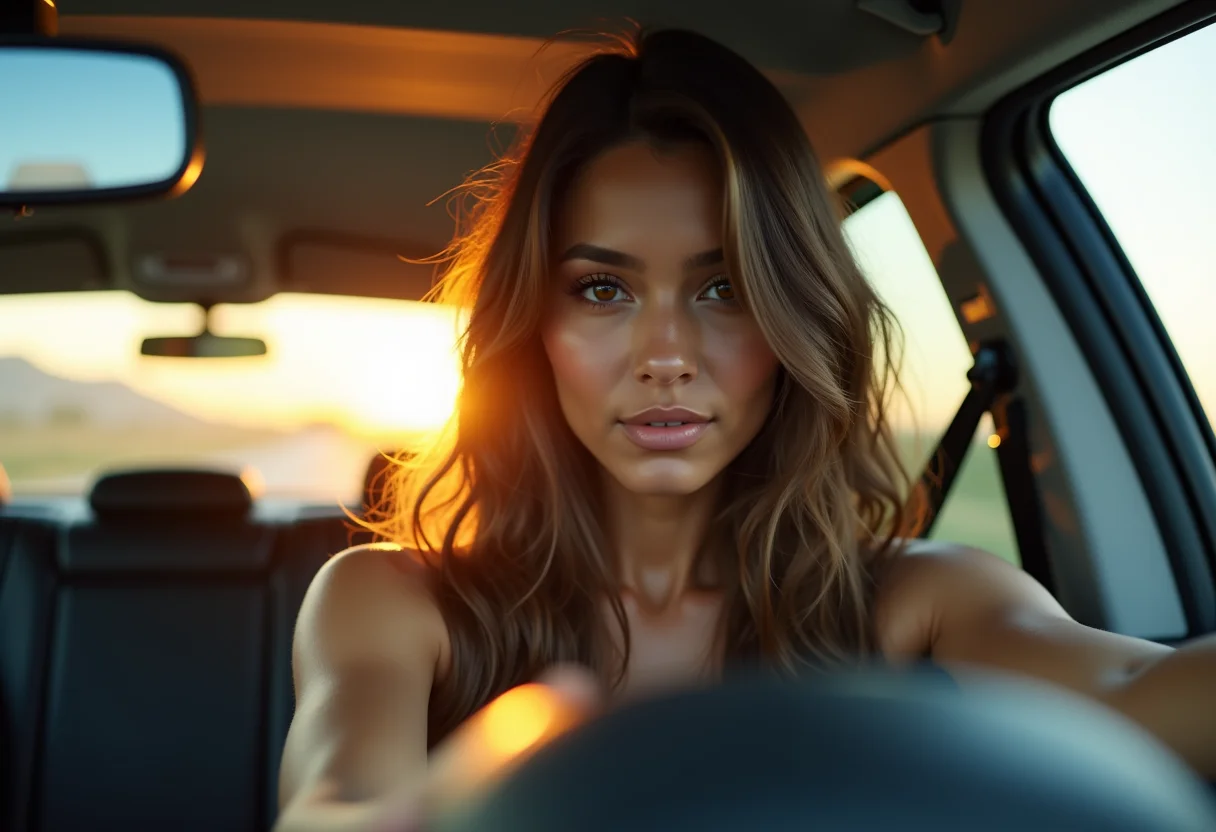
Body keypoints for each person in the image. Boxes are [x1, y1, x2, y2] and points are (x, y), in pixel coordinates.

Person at [274, 28, 1216, 831]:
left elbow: (1135, 696)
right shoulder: (393, 599)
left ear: (792, 318)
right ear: (536, 328)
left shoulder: (916, 598)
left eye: (723, 288)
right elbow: (337, 803)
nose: (667, 354)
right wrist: (485, 788)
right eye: (603, 289)